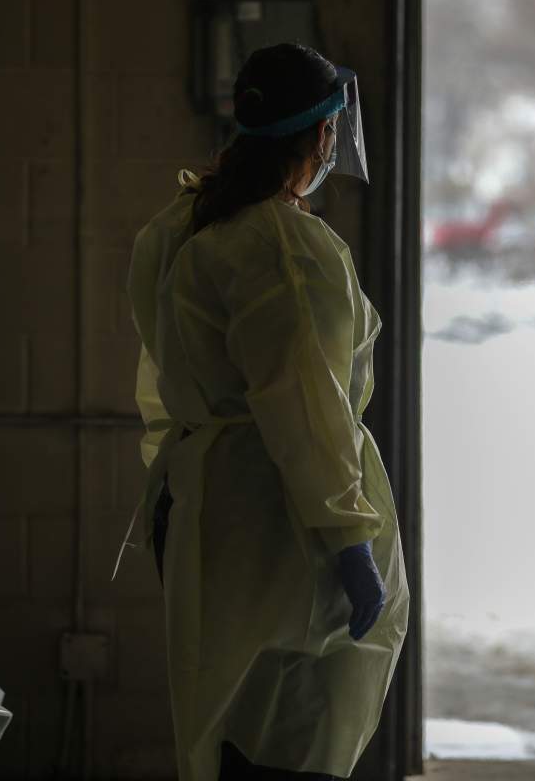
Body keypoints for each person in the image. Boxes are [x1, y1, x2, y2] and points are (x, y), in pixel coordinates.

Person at [122, 43, 410, 781]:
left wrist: (172, 479)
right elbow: (307, 407)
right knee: (293, 733)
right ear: (320, 136)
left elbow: (164, 374)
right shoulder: (286, 249)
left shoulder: (182, 226)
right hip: (280, 522)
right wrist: (349, 538)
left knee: (228, 726)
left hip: (206, 505)